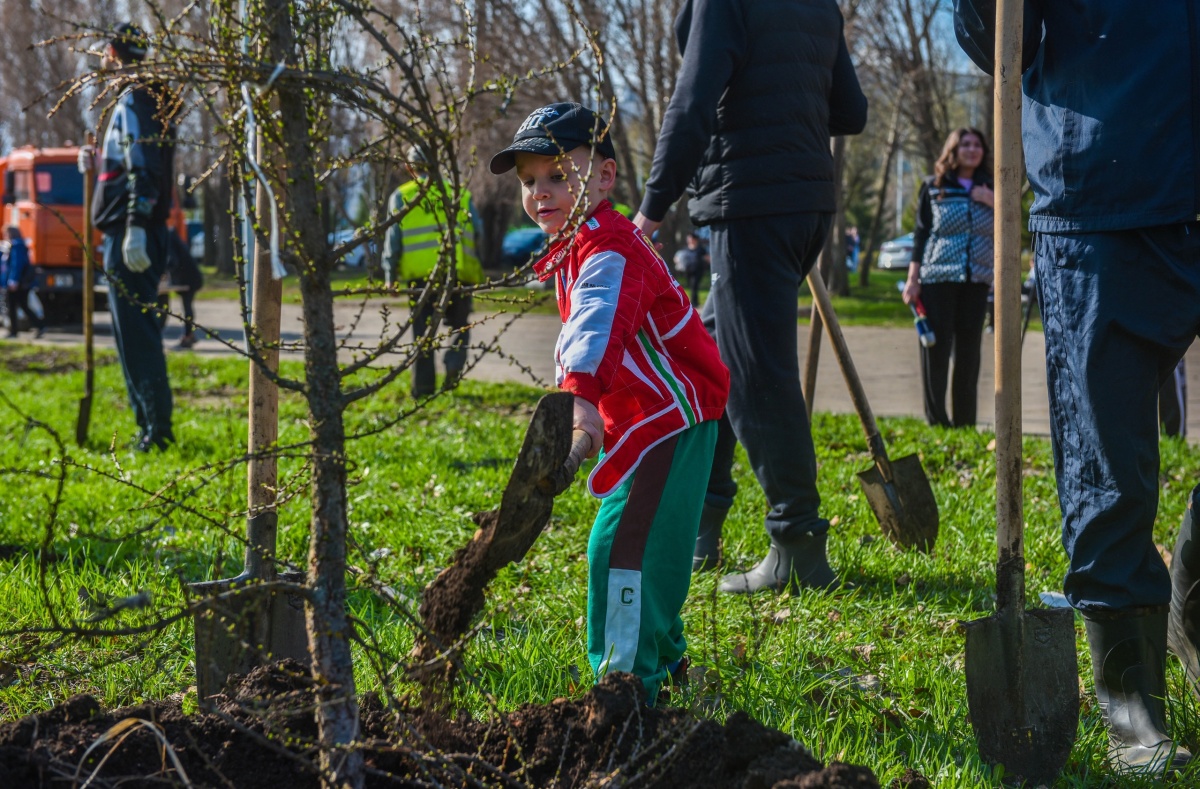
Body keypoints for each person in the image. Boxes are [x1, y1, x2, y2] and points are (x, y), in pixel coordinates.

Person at [956, 1, 1200, 775]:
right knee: (1106, 461)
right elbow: (997, 42)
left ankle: (1191, 603)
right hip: (1101, 187)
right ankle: (1131, 692)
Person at [490, 103, 729, 701]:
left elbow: (598, 325)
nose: (540, 192)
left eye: (557, 175)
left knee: (623, 547)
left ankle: (625, 689)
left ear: (603, 177)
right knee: (659, 544)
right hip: (650, 418)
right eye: (529, 181)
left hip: (668, 418)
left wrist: (581, 399)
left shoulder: (609, 250)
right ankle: (665, 664)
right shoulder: (579, 246)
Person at [633, 0, 866, 592]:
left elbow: (692, 104)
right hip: (807, 205)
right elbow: (851, 110)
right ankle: (700, 529)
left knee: (757, 375)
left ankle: (797, 548)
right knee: (710, 355)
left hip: (752, 204)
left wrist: (651, 211)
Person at [89, 23, 176, 452]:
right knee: (137, 332)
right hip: (135, 229)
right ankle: (151, 426)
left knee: (137, 336)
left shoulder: (134, 99)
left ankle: (155, 433)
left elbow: (145, 167)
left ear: (112, 51)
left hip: (131, 233)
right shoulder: (151, 99)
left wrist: (136, 225)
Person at [901, 128, 994, 429]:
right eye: (965, 144)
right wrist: (913, 280)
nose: (971, 149)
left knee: (969, 351)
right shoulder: (934, 186)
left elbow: (1010, 227)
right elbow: (921, 234)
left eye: (977, 145)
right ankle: (937, 419)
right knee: (936, 349)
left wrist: (992, 200)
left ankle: (965, 422)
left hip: (976, 279)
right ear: (953, 150)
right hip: (937, 277)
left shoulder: (993, 186)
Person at [381, 148, 483, 397]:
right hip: (457, 273)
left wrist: (390, 276)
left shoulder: (402, 195)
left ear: (410, 167)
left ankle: (423, 389)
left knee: (423, 334)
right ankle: (453, 368)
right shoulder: (459, 193)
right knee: (460, 327)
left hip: (421, 278)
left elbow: (392, 239)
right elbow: (478, 231)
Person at [155, 231, 204, 349]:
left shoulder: (168, 237)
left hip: (189, 278)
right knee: (186, 306)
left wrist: (163, 273)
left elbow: (172, 261)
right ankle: (189, 334)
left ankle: (188, 335)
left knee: (186, 306)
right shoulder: (170, 235)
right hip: (189, 276)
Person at [2, 226, 45, 339]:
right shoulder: (19, 245)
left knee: (12, 306)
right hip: (20, 283)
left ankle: (14, 331)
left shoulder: (17, 246)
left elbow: (16, 265)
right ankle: (39, 326)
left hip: (17, 283)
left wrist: (13, 280)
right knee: (23, 305)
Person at [671, 232, 708, 306]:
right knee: (691, 285)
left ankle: (694, 303)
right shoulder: (685, 249)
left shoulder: (700, 249)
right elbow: (678, 257)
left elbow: (707, 257)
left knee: (694, 285)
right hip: (688, 270)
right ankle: (693, 301)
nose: (689, 240)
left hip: (698, 270)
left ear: (695, 239)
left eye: (691, 238)